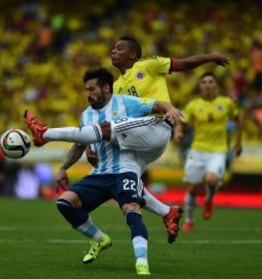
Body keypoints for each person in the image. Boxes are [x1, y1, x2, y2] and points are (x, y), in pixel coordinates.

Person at [24, 68, 182, 275]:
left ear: (106, 88)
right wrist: (64, 168)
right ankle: (100, 239)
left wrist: (170, 108)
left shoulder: (125, 103)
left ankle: (141, 263)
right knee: (65, 202)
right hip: (100, 172)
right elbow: (80, 143)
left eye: (92, 89)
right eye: (86, 90)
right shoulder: (86, 115)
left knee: (131, 210)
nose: (88, 94)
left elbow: (156, 105)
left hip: (125, 169)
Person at [86, 35, 230, 240]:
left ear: (133, 54)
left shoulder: (150, 65)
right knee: (125, 183)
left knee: (111, 141)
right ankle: (168, 212)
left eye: (119, 48)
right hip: (136, 138)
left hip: (156, 127)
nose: (113, 51)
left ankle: (47, 134)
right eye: (113, 48)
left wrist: (211, 56)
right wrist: (94, 143)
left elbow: (184, 64)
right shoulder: (117, 86)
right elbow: (109, 117)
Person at [173, 72, 243, 232]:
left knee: (211, 179)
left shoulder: (226, 103)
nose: (207, 85)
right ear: (200, 87)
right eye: (204, 82)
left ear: (216, 85)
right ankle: (190, 220)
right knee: (192, 188)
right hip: (197, 150)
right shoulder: (193, 105)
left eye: (211, 81)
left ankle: (209, 199)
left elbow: (239, 119)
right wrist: (178, 132)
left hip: (218, 150)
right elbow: (182, 123)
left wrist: (238, 143)